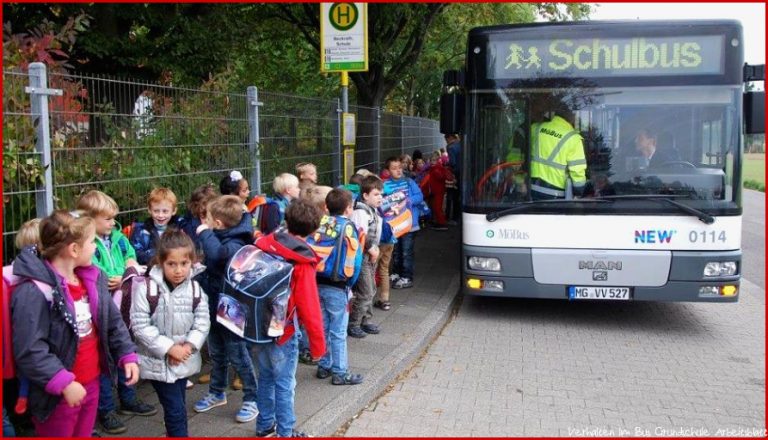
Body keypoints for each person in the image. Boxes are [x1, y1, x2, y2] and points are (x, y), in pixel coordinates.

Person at [10, 210, 140, 437]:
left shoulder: (92, 278)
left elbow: (112, 322)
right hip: (57, 394)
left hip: (91, 383)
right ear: (74, 250)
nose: (96, 247)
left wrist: (127, 353)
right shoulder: (34, 291)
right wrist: (63, 382)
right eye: (92, 242)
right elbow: (30, 349)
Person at [75, 190, 156, 434]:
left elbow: (130, 254)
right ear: (90, 220)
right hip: (101, 308)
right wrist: (113, 277)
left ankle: (128, 399)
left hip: (123, 303)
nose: (112, 223)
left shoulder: (118, 237)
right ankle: (106, 409)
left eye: (113, 218)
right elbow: (93, 268)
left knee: (124, 348)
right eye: (107, 219)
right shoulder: (88, 244)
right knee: (103, 358)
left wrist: (129, 266)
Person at [253, 199, 327, 438]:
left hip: (258, 324)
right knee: (285, 383)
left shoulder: (266, 243)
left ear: (286, 220)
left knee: (265, 376)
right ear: (314, 230)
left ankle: (265, 425)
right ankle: (286, 432)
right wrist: (317, 346)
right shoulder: (301, 260)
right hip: (283, 330)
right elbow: (309, 306)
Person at [130, 229, 210, 437]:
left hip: (184, 359)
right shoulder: (147, 289)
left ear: (191, 262)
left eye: (184, 264)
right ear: (161, 262)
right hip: (158, 362)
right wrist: (169, 349)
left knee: (178, 405)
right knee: (175, 410)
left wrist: (188, 347)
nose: (178, 270)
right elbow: (139, 325)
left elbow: (202, 322)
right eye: (171, 264)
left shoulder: (195, 289)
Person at [193, 195, 259, 424]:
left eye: (209, 220)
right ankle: (217, 392)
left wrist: (204, 233)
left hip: (232, 309)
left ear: (218, 224)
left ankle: (253, 398)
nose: (206, 223)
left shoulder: (236, 242)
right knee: (217, 353)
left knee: (238, 355)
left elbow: (219, 256)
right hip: (214, 304)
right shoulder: (224, 236)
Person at [314, 188, 365, 385]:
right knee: (338, 331)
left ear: (326, 207)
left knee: (323, 326)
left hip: (317, 282)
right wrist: (349, 284)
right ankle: (340, 372)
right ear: (348, 208)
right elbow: (356, 261)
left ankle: (324, 365)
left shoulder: (321, 223)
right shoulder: (349, 228)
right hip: (338, 285)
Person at [348, 176, 384, 338]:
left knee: (371, 288)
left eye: (381, 194)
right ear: (365, 195)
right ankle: (353, 323)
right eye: (376, 194)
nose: (380, 198)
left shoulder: (372, 210)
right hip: (362, 256)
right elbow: (360, 233)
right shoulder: (360, 212)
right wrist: (371, 248)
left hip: (371, 255)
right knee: (366, 290)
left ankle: (366, 320)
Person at [529, 103, 587, 200]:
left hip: (532, 188)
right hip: (555, 194)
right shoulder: (574, 138)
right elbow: (577, 171)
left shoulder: (535, 128)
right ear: (571, 116)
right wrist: (579, 190)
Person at [384, 157, 424, 290]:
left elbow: (419, 197)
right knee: (395, 250)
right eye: (394, 168)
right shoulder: (385, 185)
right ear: (388, 170)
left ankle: (407, 276)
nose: (398, 170)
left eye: (400, 168)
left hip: (409, 224)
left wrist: (407, 201)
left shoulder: (409, 182)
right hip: (394, 224)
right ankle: (396, 272)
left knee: (406, 251)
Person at [129, 187, 181, 266]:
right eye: (156, 211)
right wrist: (160, 257)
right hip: (149, 270)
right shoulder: (141, 230)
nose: (160, 215)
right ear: (149, 210)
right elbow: (136, 253)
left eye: (165, 211)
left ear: (174, 211)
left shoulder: (179, 228)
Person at [445, 134, 462, 222]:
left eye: (446, 139)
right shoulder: (462, 144)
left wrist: (446, 164)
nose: (446, 141)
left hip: (456, 174)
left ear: (450, 137)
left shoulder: (450, 147)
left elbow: (452, 163)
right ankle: (459, 216)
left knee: (453, 196)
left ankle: (453, 218)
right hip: (463, 173)